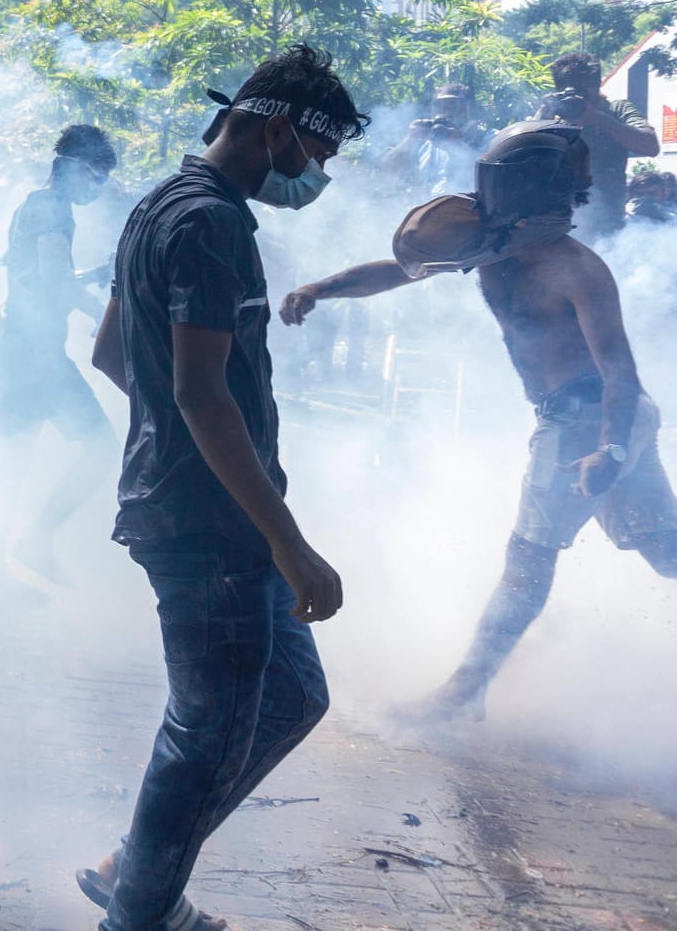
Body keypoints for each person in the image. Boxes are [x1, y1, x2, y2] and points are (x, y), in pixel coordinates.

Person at [79, 45, 362, 931]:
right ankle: (135, 914)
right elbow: (202, 392)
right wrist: (288, 540)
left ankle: (136, 873)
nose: (312, 178)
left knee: (292, 698)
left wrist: (178, 424)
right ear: (276, 129)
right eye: (314, 159)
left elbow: (113, 354)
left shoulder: (157, 204)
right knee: (204, 738)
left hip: (204, 507)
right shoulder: (211, 226)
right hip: (212, 528)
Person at [282, 120, 677, 722]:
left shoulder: (579, 270)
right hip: (595, 421)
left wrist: (611, 451)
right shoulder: (487, 243)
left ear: (526, 190)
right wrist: (321, 289)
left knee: (528, 559)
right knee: (663, 549)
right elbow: (397, 269)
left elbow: (620, 374)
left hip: (591, 418)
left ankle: (460, 698)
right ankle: (465, 696)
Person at [0, 124, 119, 582]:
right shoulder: (54, 209)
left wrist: (89, 276)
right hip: (34, 355)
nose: (98, 188)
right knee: (99, 447)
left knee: (14, 461)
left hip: (23, 347)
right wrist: (110, 316)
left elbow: (47, 275)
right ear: (72, 166)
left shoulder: (34, 203)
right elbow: (55, 280)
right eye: (97, 177)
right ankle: (32, 542)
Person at [535, 51, 658, 237]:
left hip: (607, 225)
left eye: (583, 89)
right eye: (570, 90)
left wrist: (598, 119)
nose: (577, 97)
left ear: (598, 84)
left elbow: (650, 146)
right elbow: (525, 157)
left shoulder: (616, 109)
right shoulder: (551, 114)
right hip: (554, 224)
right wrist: (543, 118)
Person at [380, 83, 488, 197]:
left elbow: (488, 174)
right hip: (433, 209)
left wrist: (456, 143)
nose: (447, 111)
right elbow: (389, 167)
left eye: (454, 105)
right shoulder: (427, 144)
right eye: (441, 106)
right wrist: (410, 139)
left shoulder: (491, 138)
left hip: (471, 210)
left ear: (470, 109)